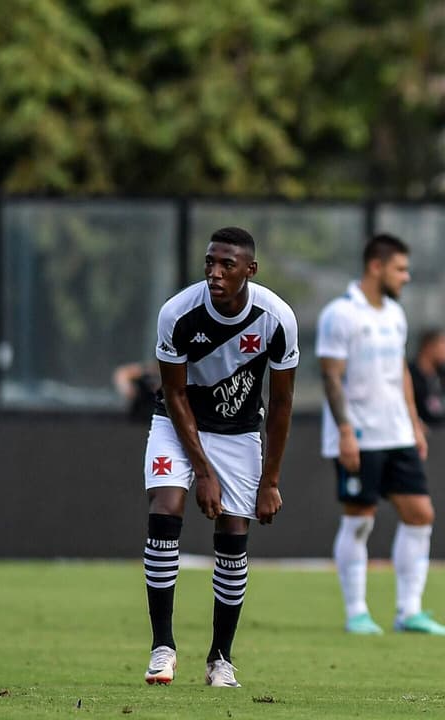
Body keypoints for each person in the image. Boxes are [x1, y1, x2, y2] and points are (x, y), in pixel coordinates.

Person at [140, 226, 298, 688]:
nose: (215, 273)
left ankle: (220, 659)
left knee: (233, 534)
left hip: (239, 432)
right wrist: (203, 473)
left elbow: (283, 405)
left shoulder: (277, 318)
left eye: (227, 265)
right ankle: (162, 648)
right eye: (210, 262)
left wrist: (270, 482)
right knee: (165, 508)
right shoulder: (177, 313)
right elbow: (173, 393)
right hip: (177, 422)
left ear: (250, 270)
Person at [317, 234, 445, 637]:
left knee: (420, 514)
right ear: (376, 267)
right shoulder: (339, 314)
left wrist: (413, 422)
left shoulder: (395, 314)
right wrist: (344, 432)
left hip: (396, 433)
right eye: (400, 268)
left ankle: (408, 612)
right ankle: (356, 612)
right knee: (360, 520)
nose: (406, 277)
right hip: (359, 435)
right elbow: (330, 377)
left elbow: (401, 374)